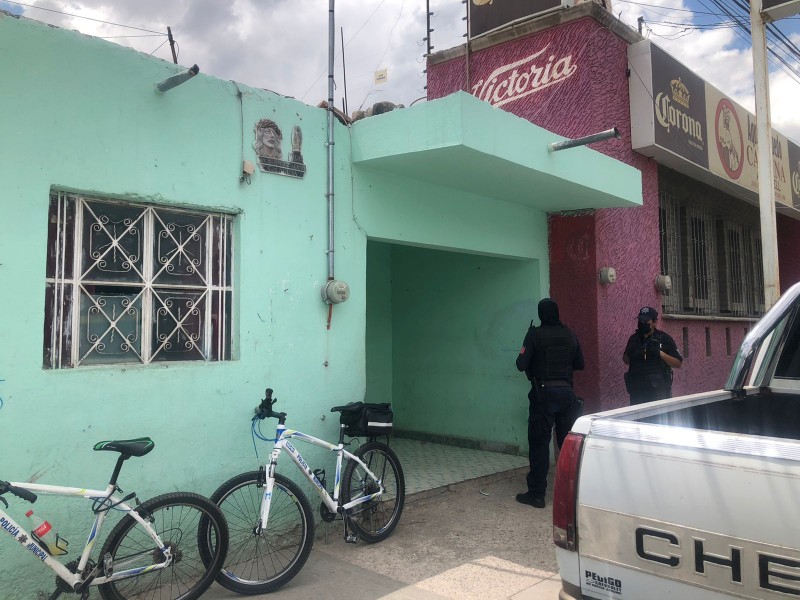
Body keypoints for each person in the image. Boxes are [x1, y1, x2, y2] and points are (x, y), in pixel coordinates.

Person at [515, 298, 584, 508]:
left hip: (543, 395)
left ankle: (537, 495)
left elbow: (521, 364)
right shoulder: (570, 334)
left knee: (539, 445)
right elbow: (580, 363)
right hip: (567, 394)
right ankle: (577, 494)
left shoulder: (534, 334)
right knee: (569, 446)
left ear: (540, 314)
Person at [623, 306, 683, 405]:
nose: (642, 323)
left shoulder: (664, 338)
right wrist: (631, 352)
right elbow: (626, 360)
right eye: (640, 320)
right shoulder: (634, 338)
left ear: (655, 322)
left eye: (646, 321)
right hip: (637, 391)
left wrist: (659, 353)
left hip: (658, 392)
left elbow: (678, 363)